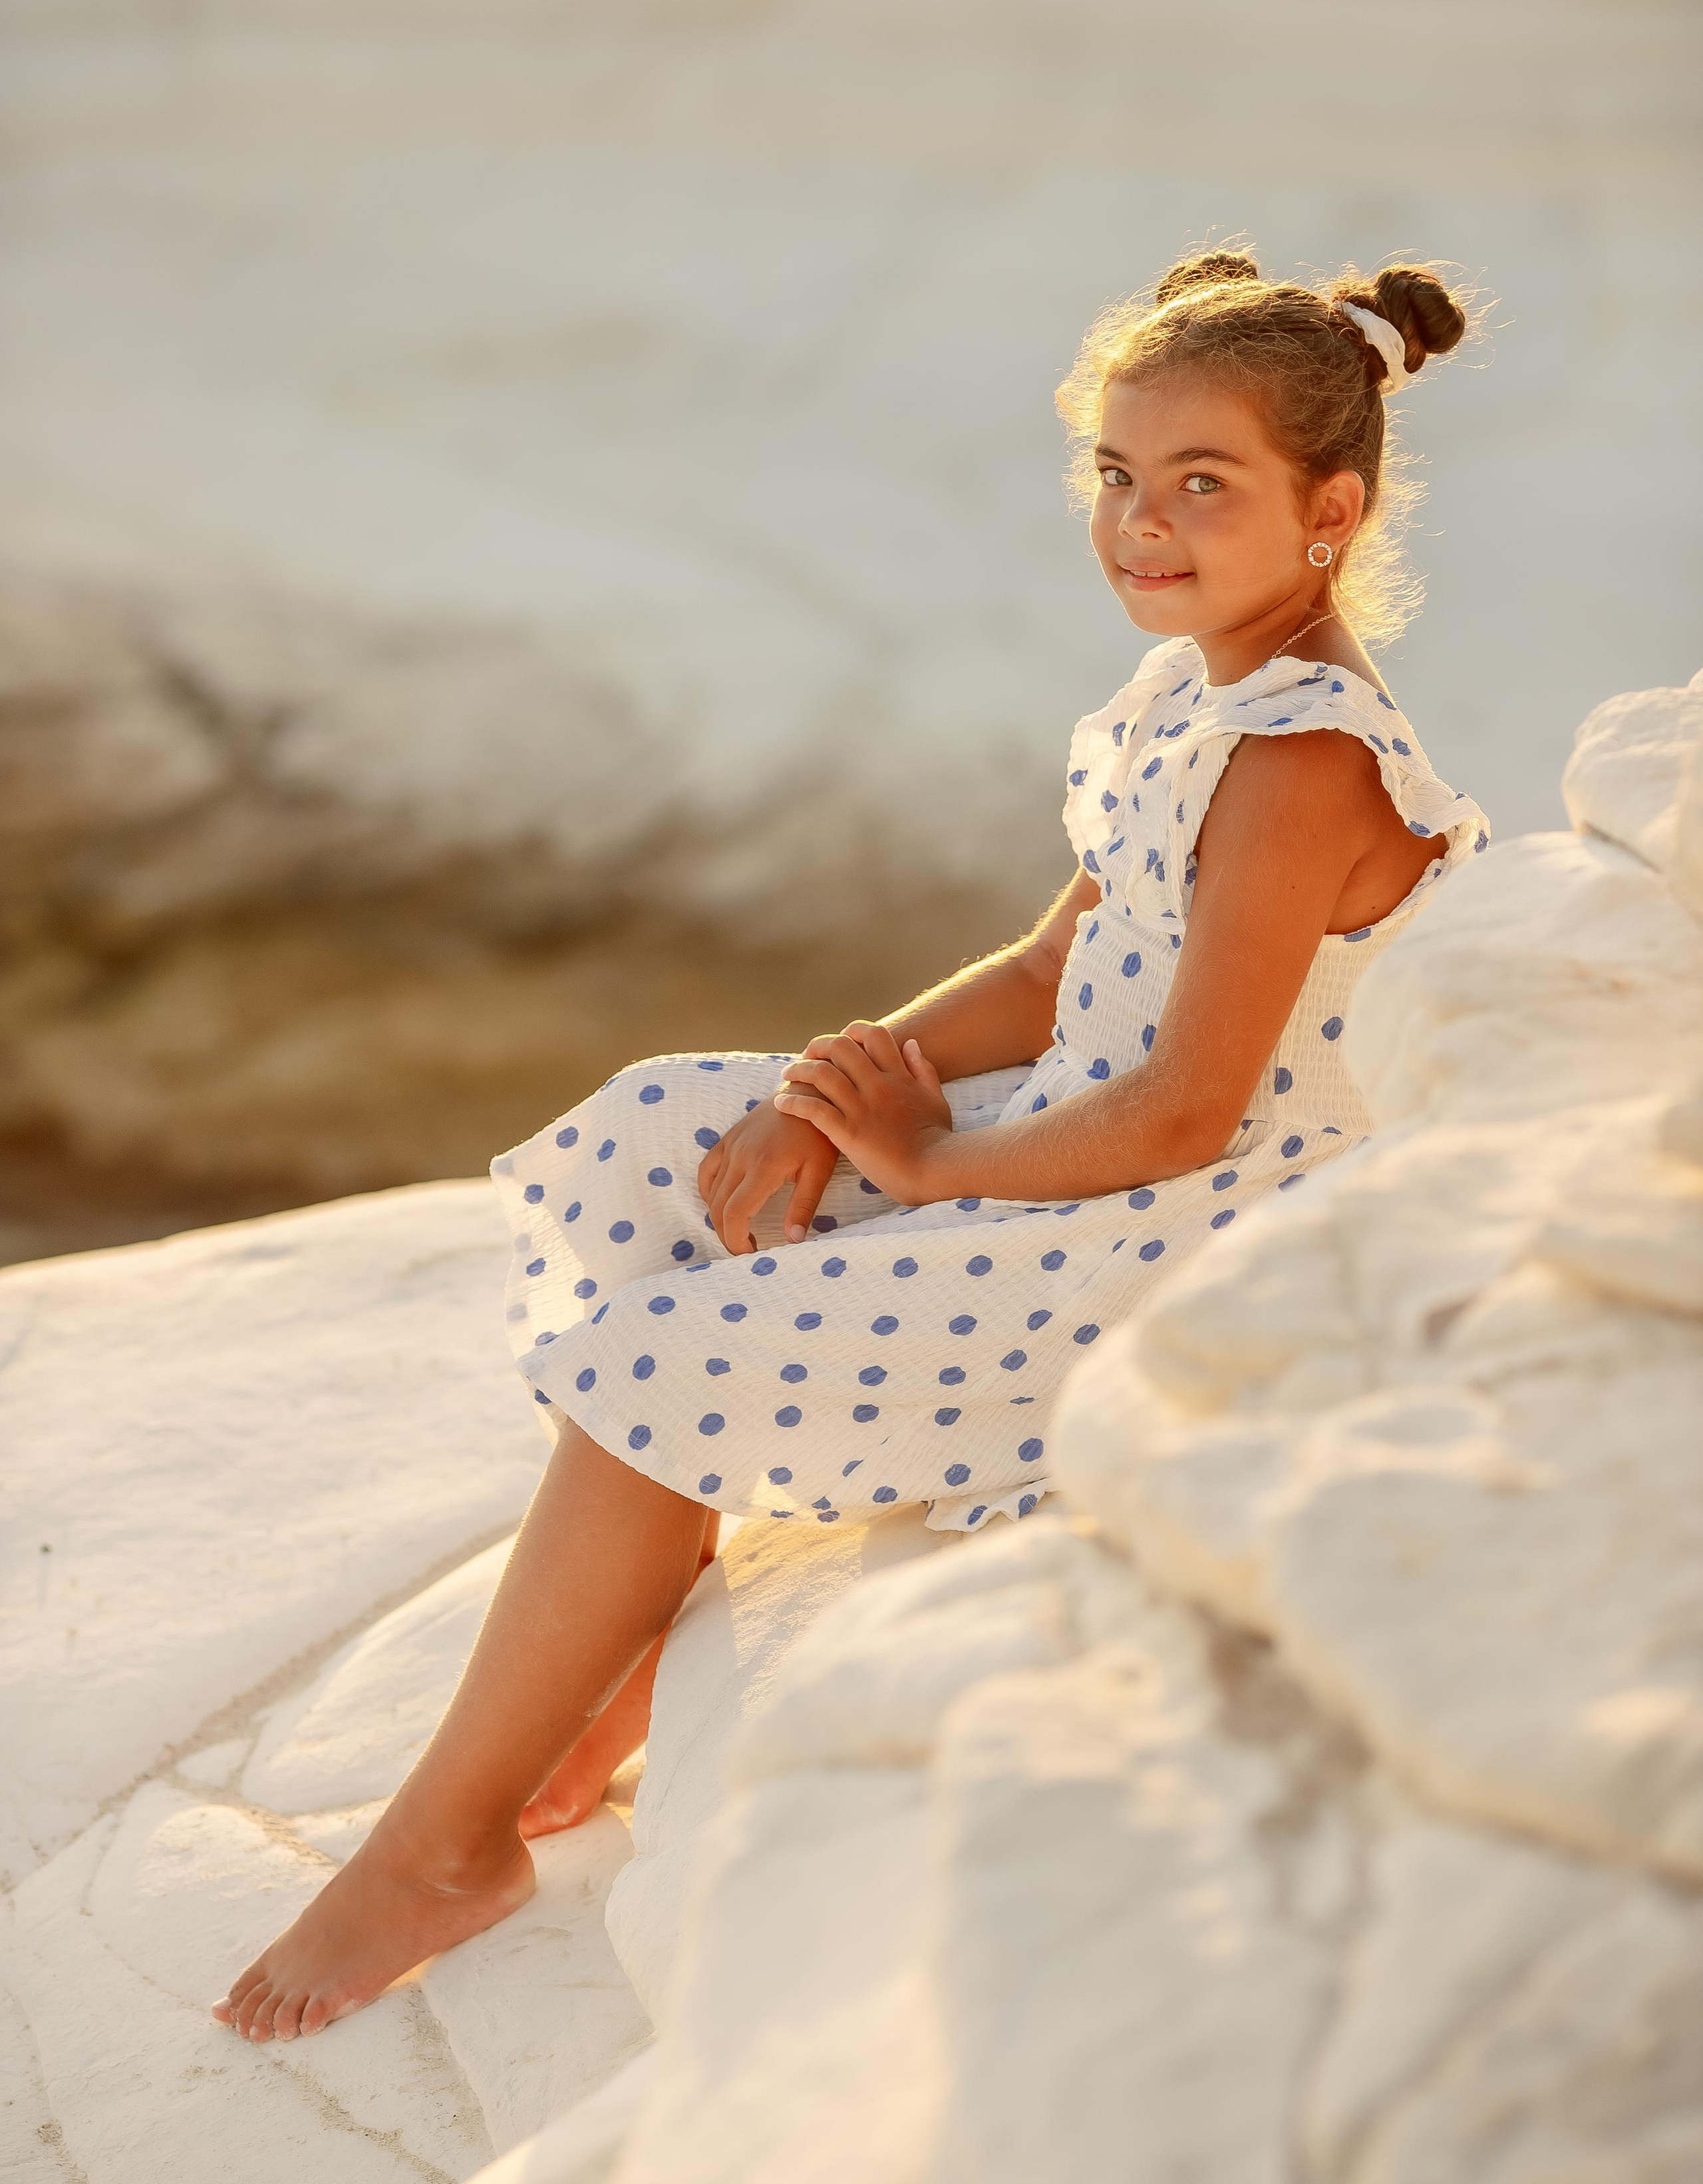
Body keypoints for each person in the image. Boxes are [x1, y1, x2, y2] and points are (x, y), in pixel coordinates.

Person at [214, 249, 1488, 2043]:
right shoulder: (1192, 701)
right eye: (1118, 476)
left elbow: (1190, 1109)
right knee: (686, 1131)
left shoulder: (1306, 765)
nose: (1142, 523)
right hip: (1086, 1143)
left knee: (665, 1352)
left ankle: (447, 1840)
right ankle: (608, 1653)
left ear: (1330, 512)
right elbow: (1059, 970)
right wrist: (841, 1085)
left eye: (1206, 486)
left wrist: (920, 1165)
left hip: (1174, 1238)